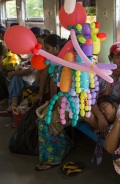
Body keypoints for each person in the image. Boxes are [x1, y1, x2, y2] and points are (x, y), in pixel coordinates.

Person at [35, 34, 73, 171]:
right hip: (60, 101)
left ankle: (52, 158)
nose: (45, 52)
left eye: (48, 48)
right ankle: (64, 145)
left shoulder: (67, 63)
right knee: (41, 116)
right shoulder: (54, 63)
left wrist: (53, 102)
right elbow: (49, 79)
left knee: (44, 122)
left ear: (57, 48)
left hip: (71, 105)